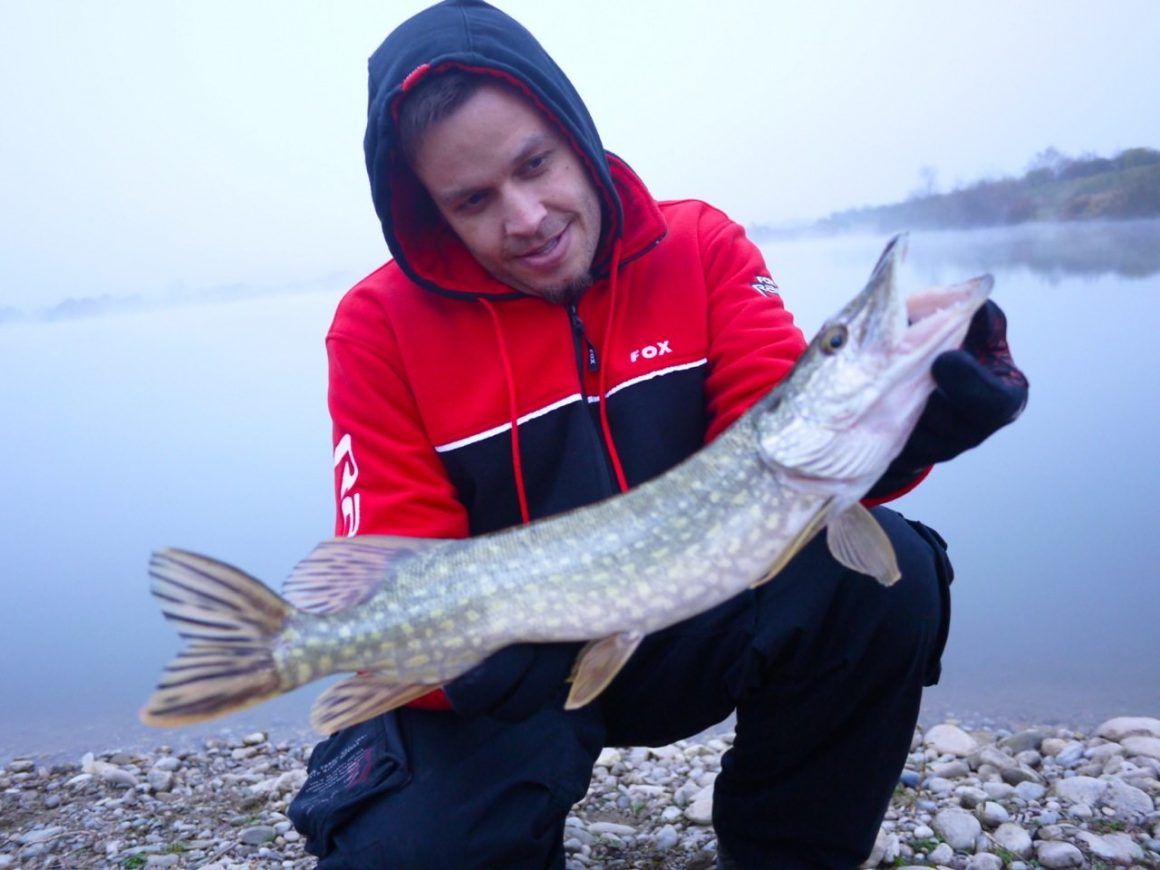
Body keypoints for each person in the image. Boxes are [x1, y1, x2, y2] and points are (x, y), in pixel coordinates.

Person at [287, 1, 1028, 867]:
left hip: (681, 618)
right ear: (430, 211)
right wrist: (459, 669)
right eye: (474, 199)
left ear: (575, 135)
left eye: (537, 164)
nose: (526, 217)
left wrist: (908, 429)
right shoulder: (377, 327)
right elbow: (394, 560)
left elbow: (783, 448)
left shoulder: (699, 248)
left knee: (880, 583)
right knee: (413, 852)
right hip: (503, 670)